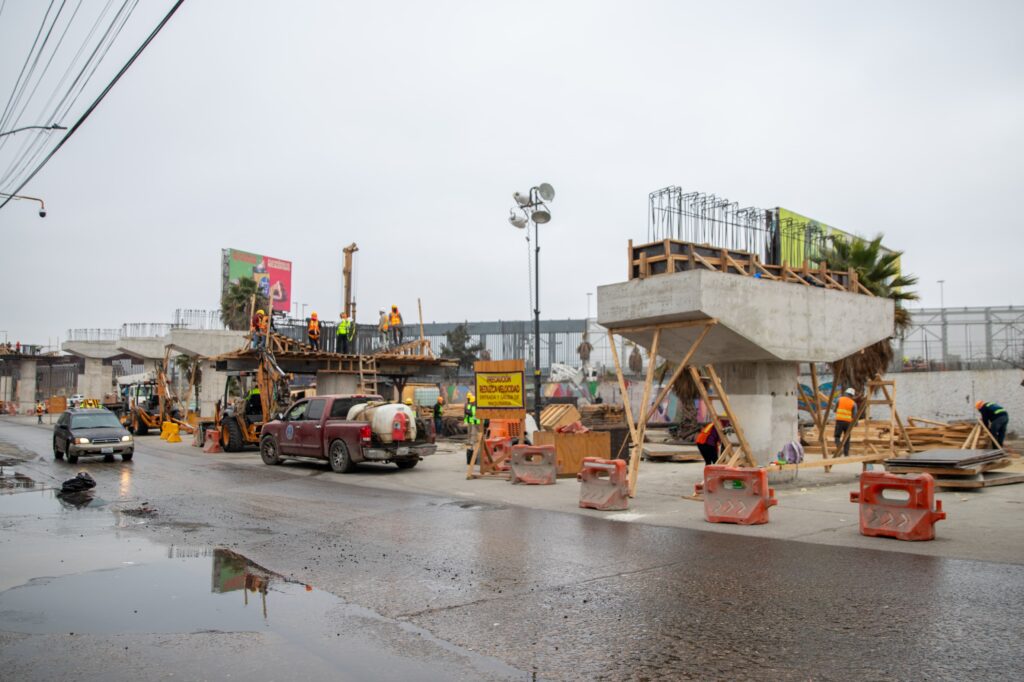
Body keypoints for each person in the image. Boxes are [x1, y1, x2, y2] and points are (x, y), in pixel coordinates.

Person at [834, 388, 857, 457]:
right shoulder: (853, 403)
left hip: (839, 421)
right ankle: (846, 454)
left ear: (845, 393)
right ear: (852, 395)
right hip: (848, 423)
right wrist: (856, 423)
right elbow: (854, 415)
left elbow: (835, 410)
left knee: (837, 436)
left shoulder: (839, 399)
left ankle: (839, 448)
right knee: (847, 438)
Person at [464, 392, 480, 464]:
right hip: (473, 421)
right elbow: (467, 412)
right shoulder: (470, 405)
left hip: (477, 422)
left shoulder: (476, 406)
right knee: (472, 433)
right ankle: (472, 442)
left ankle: (475, 442)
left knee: (477, 433)